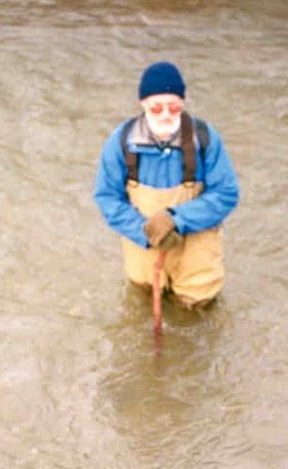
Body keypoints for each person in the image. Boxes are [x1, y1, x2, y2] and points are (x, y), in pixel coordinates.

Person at [94, 62, 240, 309]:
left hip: (196, 252)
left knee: (198, 316)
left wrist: (176, 219)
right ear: (143, 104)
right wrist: (145, 232)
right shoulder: (120, 142)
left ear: (182, 104)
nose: (165, 114)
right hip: (144, 248)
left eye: (173, 107)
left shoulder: (204, 139)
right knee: (141, 311)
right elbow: (107, 197)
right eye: (156, 107)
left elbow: (226, 193)